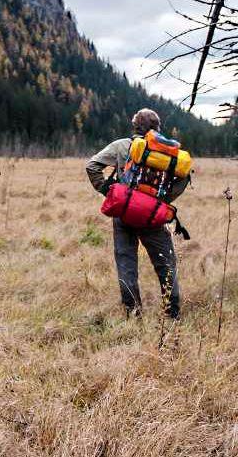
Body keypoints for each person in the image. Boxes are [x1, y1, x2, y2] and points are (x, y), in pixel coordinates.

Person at [85, 108, 187, 319]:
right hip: (152, 218)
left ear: (135, 127)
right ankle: (172, 315)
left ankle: (133, 315)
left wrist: (107, 191)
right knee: (166, 264)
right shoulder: (168, 152)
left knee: (126, 264)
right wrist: (161, 202)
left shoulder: (122, 145)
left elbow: (92, 165)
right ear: (158, 128)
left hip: (124, 213)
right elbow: (184, 178)